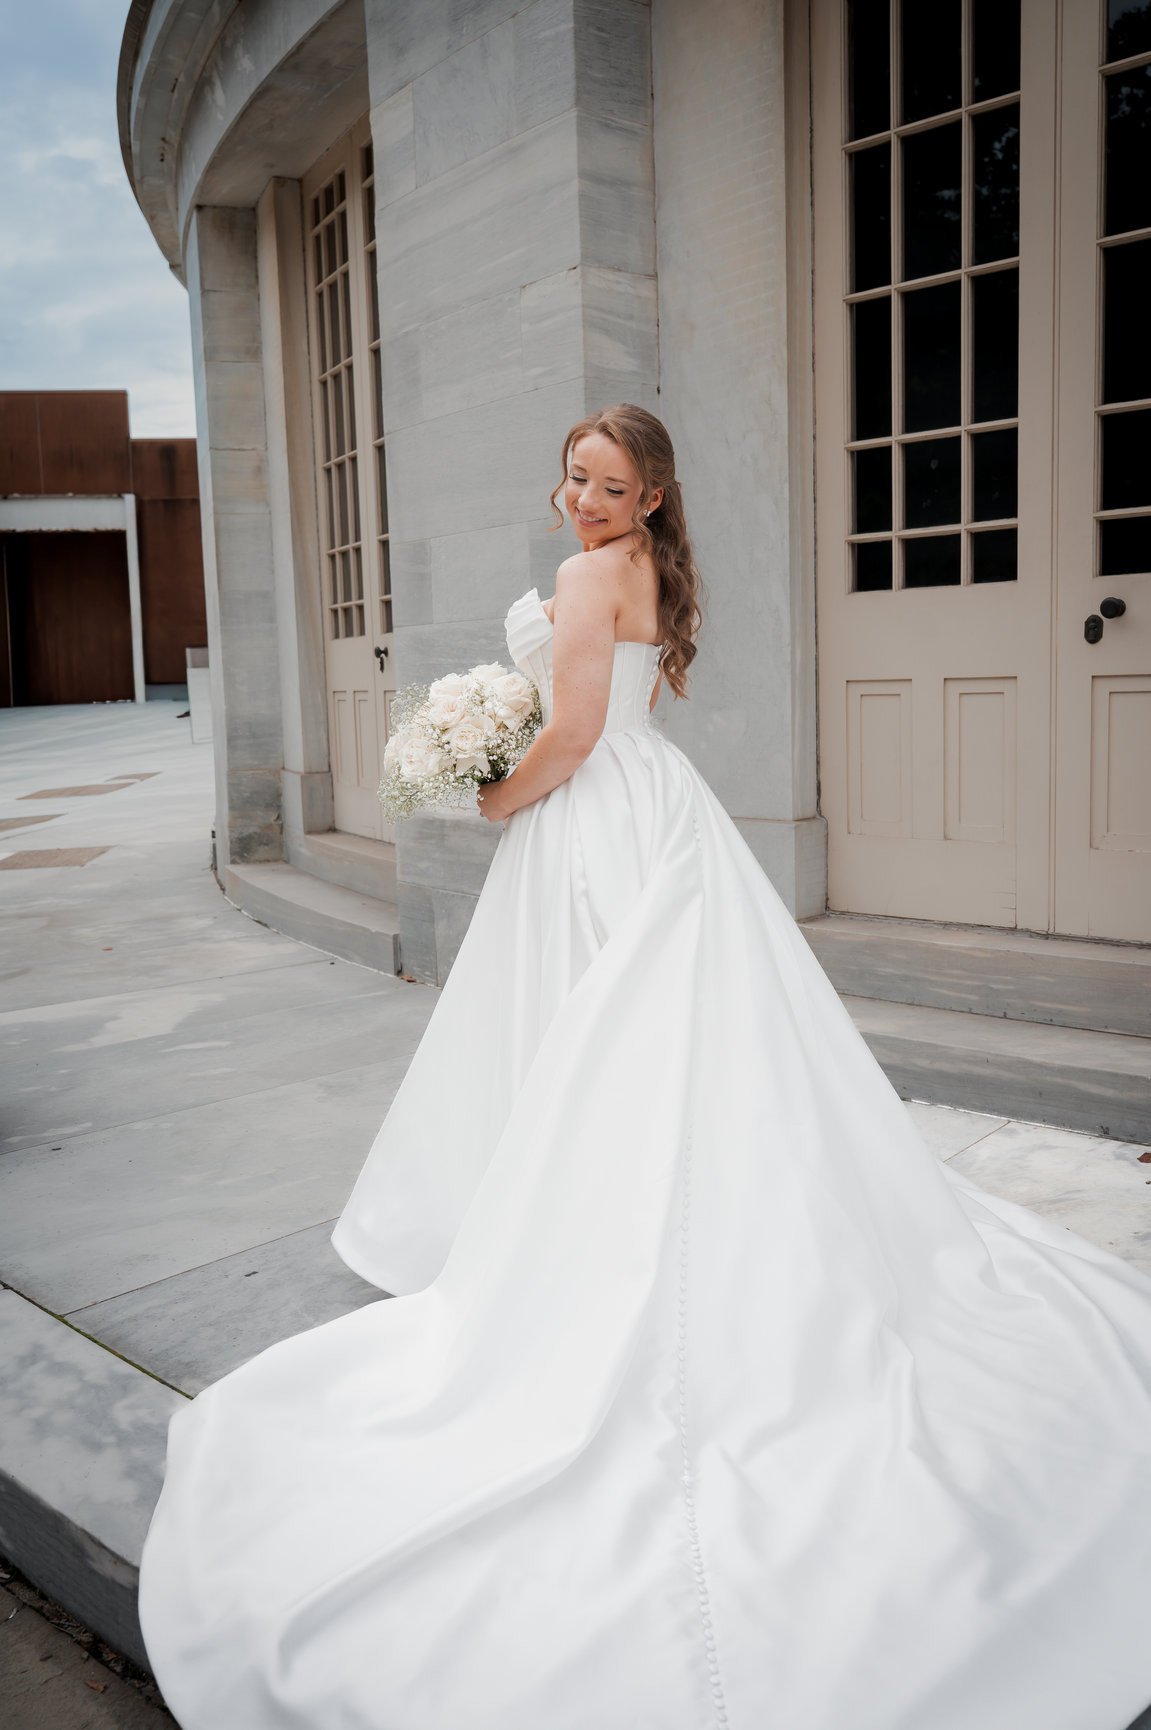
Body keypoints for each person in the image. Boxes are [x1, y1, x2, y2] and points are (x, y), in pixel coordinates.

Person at [137, 405, 1151, 1730]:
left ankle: (595, 1241)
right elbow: (629, 705)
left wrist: (494, 795)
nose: (583, 500)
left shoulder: (583, 577)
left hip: (594, 818)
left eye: (610, 485)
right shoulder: (661, 578)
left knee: (595, 1037)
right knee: (660, 1047)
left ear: (654, 495)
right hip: (662, 811)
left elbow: (566, 733)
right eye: (573, 476)